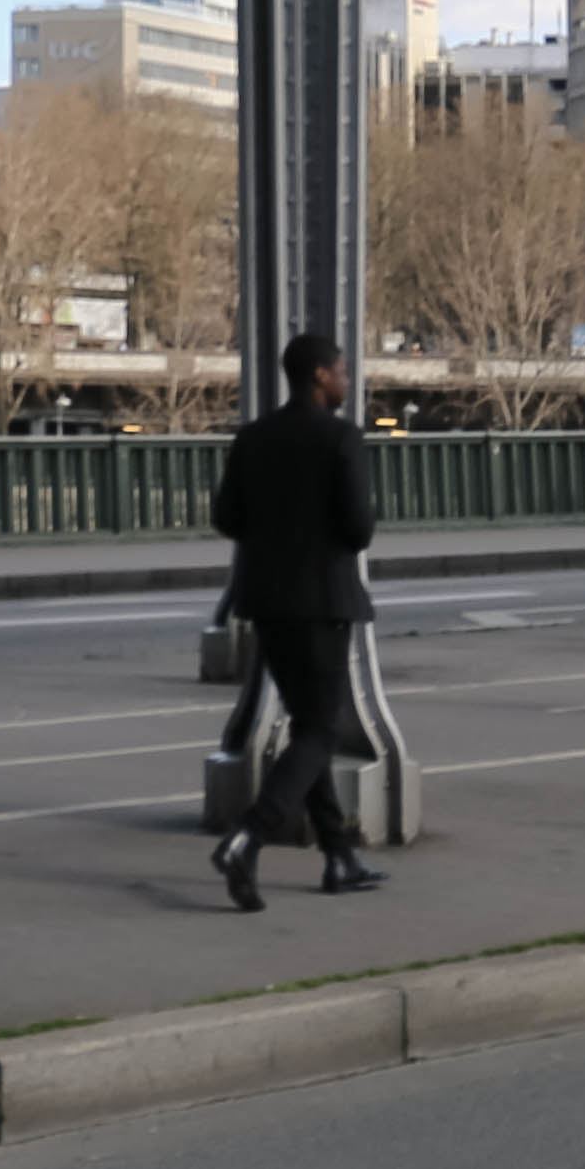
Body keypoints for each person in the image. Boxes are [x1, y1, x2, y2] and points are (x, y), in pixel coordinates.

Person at [207, 331, 382, 910]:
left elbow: (226, 516)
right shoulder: (339, 438)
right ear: (319, 378)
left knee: (309, 724)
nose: (346, 382)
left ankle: (339, 857)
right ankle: (249, 836)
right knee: (320, 731)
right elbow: (358, 529)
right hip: (323, 601)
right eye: (341, 372)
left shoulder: (253, 438)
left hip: (266, 601)